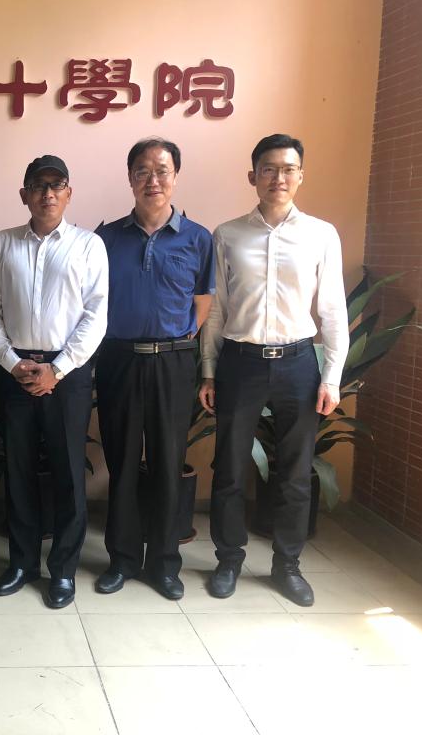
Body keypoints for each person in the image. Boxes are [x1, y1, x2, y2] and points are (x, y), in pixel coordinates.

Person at [200, 134, 348, 607]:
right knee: (229, 469)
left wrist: (331, 377)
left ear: (301, 175)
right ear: (253, 176)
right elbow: (217, 310)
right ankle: (228, 559)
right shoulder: (227, 234)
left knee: (295, 473)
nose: (278, 178)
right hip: (240, 363)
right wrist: (209, 371)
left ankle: (287, 565)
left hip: (299, 364)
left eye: (288, 169)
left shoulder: (321, 235)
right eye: (268, 168)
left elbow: (333, 311)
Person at [0, 155, 108, 609]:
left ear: (69, 193)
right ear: (24, 194)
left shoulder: (89, 245)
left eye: (56, 185)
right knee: (17, 471)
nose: (47, 193)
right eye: (38, 185)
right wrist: (11, 361)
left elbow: (96, 315)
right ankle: (21, 564)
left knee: (68, 472)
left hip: (67, 375)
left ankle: (64, 572)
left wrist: (59, 368)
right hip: (15, 370)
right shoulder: (3, 243)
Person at [94, 138, 214, 600]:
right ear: (130, 178)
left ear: (175, 177)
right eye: (142, 171)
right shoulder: (105, 239)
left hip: (173, 362)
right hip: (119, 359)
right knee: (122, 463)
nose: (153, 180)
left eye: (162, 170)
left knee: (167, 464)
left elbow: (202, 302)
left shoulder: (198, 238)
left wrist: (177, 339)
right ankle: (122, 559)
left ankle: (164, 564)